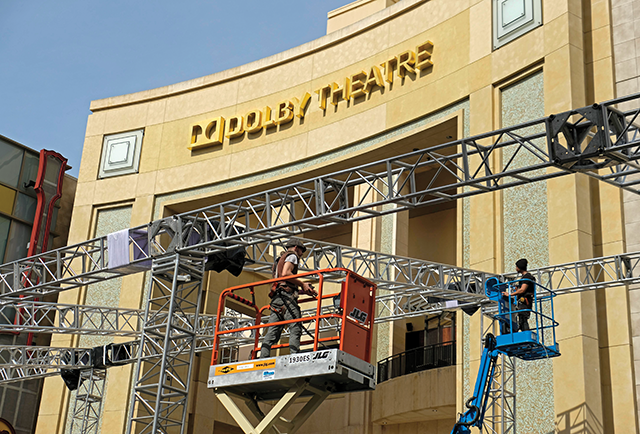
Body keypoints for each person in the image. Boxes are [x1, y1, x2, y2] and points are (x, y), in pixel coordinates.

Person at [259, 239, 317, 358]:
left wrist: (303, 289)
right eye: (301, 251)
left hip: (277, 298)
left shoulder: (279, 260)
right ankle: (294, 357)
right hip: (286, 299)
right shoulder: (292, 256)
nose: (301, 254)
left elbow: (283, 281)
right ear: (296, 248)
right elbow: (286, 274)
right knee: (295, 328)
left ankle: (262, 358)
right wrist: (302, 284)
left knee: (272, 332)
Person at [502, 258, 535, 331]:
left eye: (517, 267)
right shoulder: (526, 277)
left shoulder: (527, 277)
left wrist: (510, 294)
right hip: (524, 301)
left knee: (523, 318)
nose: (516, 268)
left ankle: (525, 332)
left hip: (525, 302)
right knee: (521, 319)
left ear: (520, 267)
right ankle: (522, 331)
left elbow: (522, 289)